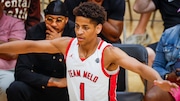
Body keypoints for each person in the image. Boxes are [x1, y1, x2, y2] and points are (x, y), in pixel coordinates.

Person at [0, 2, 178, 101]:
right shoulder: (66, 44)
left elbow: (139, 67)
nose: (79, 31)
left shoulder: (108, 52)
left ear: (98, 28)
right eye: (77, 26)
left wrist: (159, 80)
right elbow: (28, 46)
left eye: (85, 27)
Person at [6, 0, 75, 101]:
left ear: (66, 20)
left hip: (65, 88)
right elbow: (21, 71)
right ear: (44, 18)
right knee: (16, 88)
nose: (54, 24)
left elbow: (81, 64)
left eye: (59, 20)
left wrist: (59, 45)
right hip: (41, 84)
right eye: (49, 19)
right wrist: (52, 81)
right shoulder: (34, 32)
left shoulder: (74, 32)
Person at [133, 0, 180, 101]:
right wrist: (168, 76)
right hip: (174, 81)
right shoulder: (169, 34)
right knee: (151, 96)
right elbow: (138, 7)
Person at [0, 2, 26, 101]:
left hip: (7, 71)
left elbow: (13, 53)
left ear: (2, 5)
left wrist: (8, 49)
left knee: (6, 86)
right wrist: (5, 45)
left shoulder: (15, 23)